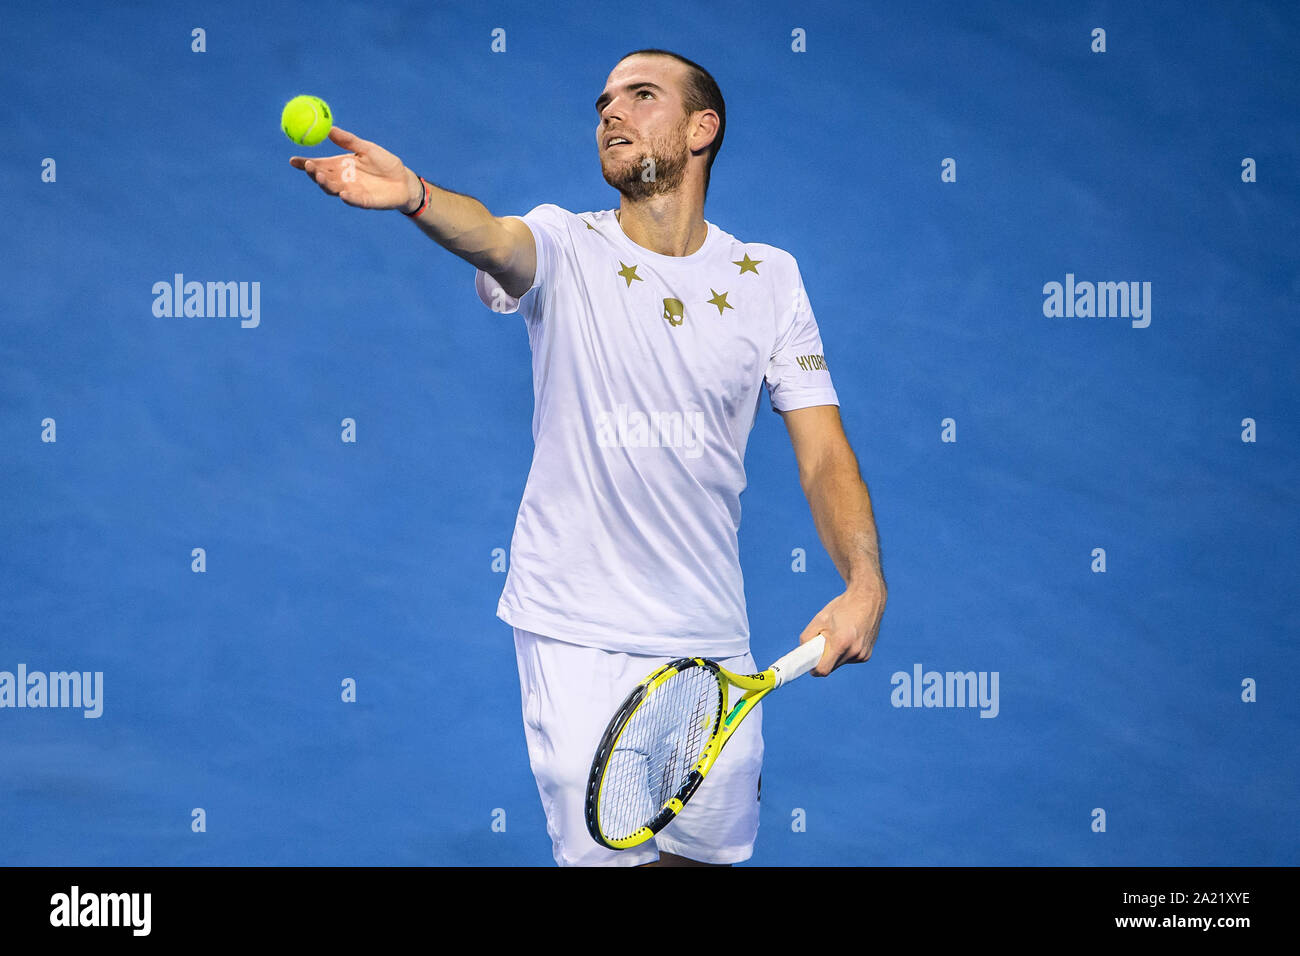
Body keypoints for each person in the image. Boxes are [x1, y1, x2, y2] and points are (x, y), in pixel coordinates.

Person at [290, 48, 887, 867]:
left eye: (642, 96)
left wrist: (864, 581)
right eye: (604, 100)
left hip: (711, 636)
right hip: (576, 630)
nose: (612, 112)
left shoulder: (770, 280)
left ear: (702, 128)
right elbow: (495, 239)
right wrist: (416, 197)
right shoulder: (565, 247)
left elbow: (824, 454)